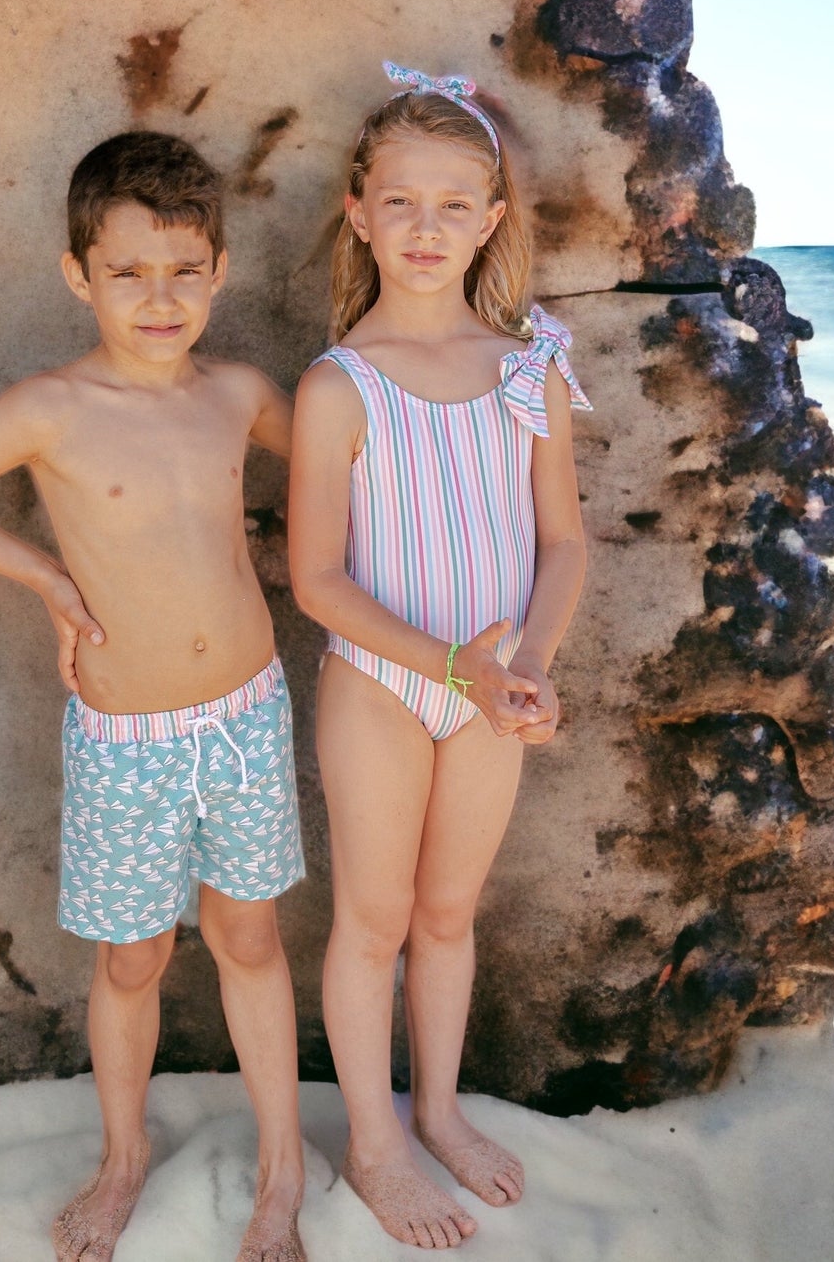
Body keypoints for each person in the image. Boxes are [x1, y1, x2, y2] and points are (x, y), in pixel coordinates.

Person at [0, 131, 307, 1262]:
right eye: (127, 272)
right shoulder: (49, 408)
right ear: (79, 276)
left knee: (249, 936)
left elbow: (342, 449)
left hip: (245, 714)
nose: (157, 297)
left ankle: (281, 1174)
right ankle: (122, 1156)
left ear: (218, 270)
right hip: (125, 732)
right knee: (132, 956)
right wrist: (45, 578)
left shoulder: (237, 393)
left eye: (182, 270)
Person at [287, 63, 590, 1251]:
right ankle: (371, 1143)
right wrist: (450, 667)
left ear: (491, 218)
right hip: (377, 683)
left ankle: (440, 1107)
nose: (426, 228)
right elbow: (316, 580)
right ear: (358, 212)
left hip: (490, 685)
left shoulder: (526, 368)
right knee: (372, 914)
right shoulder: (337, 384)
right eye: (400, 202)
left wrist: (524, 669)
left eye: (454, 204)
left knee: (448, 909)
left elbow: (562, 541)